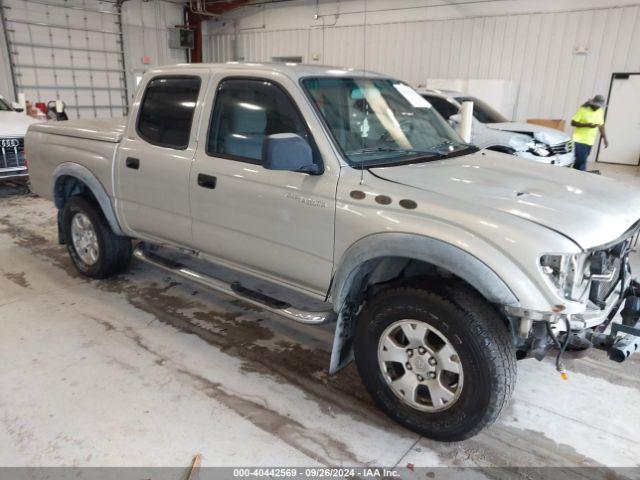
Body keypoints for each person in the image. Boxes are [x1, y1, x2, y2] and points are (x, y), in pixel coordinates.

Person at [570, 95, 609, 171]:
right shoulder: (583, 109)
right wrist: (587, 125)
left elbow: (601, 125)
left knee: (579, 161)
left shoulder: (600, 111)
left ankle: (572, 173)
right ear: (593, 103)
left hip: (590, 141)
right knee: (582, 161)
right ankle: (582, 175)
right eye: (597, 106)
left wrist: (604, 138)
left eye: (599, 106)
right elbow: (573, 123)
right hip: (579, 140)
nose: (598, 107)